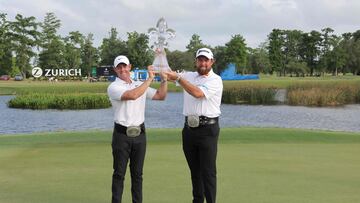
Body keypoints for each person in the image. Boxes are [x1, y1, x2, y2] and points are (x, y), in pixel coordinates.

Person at [107, 55, 168, 203]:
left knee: (137, 174)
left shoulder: (139, 84)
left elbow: (161, 96)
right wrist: (149, 79)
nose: (122, 69)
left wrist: (164, 79)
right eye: (119, 67)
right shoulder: (113, 87)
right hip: (122, 135)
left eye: (125, 66)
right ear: (115, 69)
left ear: (130, 67)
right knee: (119, 174)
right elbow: (133, 95)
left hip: (140, 136)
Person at [166, 48, 223, 203]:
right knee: (195, 172)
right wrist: (161, 56)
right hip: (189, 130)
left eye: (206, 60)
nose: (203, 63)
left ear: (212, 62)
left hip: (208, 130)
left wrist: (179, 78)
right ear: (196, 61)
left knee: (208, 172)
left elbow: (197, 93)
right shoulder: (189, 76)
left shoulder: (215, 80)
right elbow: (168, 74)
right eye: (200, 60)